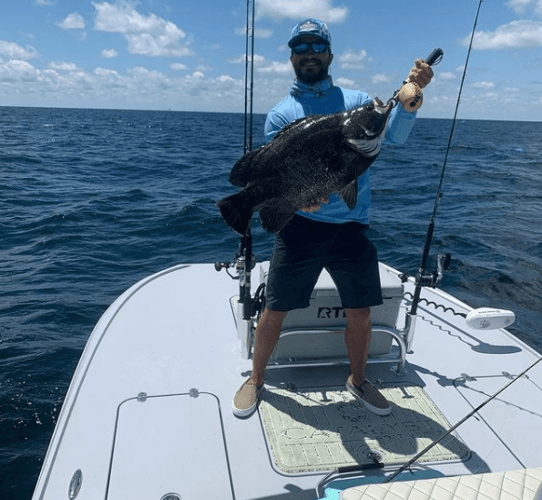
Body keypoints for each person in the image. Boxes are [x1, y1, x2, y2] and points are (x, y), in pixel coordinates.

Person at [232, 19, 434, 418]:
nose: (309, 53)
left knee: (361, 311)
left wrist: (411, 102)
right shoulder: (281, 114)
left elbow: (391, 134)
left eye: (317, 46)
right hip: (299, 227)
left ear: (329, 54)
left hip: (351, 231)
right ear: (292, 57)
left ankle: (357, 380)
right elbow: (276, 169)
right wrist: (296, 200)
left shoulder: (357, 100)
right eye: (301, 47)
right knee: (275, 307)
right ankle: (256, 378)